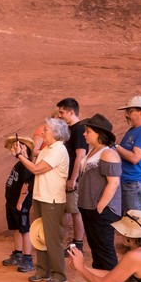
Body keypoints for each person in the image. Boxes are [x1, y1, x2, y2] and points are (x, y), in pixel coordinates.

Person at [11, 118, 69, 282]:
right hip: (40, 197)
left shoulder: (58, 150)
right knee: (40, 236)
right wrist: (22, 153)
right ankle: (43, 271)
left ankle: (59, 275)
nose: (42, 133)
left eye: (46, 130)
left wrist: (20, 156)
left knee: (52, 238)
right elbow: (34, 165)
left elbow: (36, 168)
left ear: (56, 133)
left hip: (52, 199)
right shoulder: (47, 149)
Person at [77, 114, 122, 271]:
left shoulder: (108, 154)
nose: (84, 134)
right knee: (96, 246)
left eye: (88, 131)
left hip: (102, 210)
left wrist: (101, 206)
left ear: (99, 133)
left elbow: (114, 182)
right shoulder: (94, 151)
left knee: (104, 248)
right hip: (89, 207)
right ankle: (98, 279)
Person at [114, 96, 141, 213]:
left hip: (136, 184)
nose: (126, 115)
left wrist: (116, 146)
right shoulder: (133, 131)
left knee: (137, 225)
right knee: (129, 225)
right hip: (128, 182)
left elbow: (134, 158)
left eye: (130, 111)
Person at [56, 98, 87, 253]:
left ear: (71, 112)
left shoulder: (80, 129)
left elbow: (80, 156)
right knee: (67, 210)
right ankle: (65, 242)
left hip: (74, 179)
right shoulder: (70, 129)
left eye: (62, 112)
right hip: (66, 177)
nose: (60, 116)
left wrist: (73, 179)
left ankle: (78, 244)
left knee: (75, 211)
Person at [2, 135, 35, 272]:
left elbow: (26, 185)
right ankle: (18, 253)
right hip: (12, 202)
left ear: (23, 148)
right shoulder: (19, 163)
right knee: (17, 228)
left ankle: (27, 259)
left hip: (19, 204)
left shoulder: (26, 164)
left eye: (15, 146)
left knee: (24, 229)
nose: (12, 148)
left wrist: (20, 202)